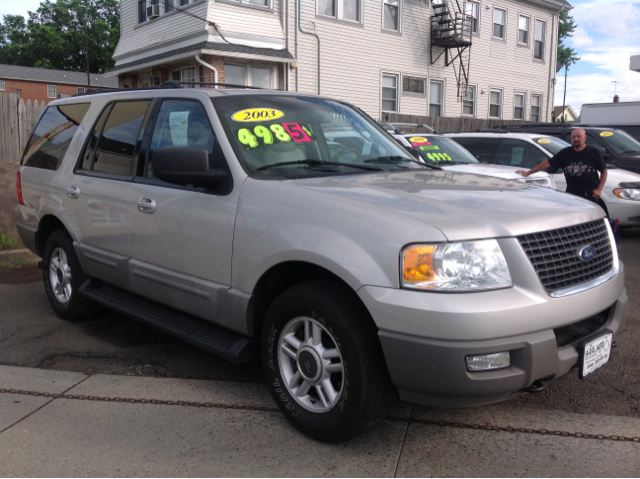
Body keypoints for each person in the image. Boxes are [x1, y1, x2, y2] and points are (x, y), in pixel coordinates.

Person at [517, 128, 608, 205]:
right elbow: (548, 163)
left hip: (590, 196)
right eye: (573, 137)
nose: (576, 139)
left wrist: (599, 189)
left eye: (579, 136)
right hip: (572, 196)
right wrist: (528, 172)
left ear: (585, 138)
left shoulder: (593, 152)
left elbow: (604, 171)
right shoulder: (565, 153)